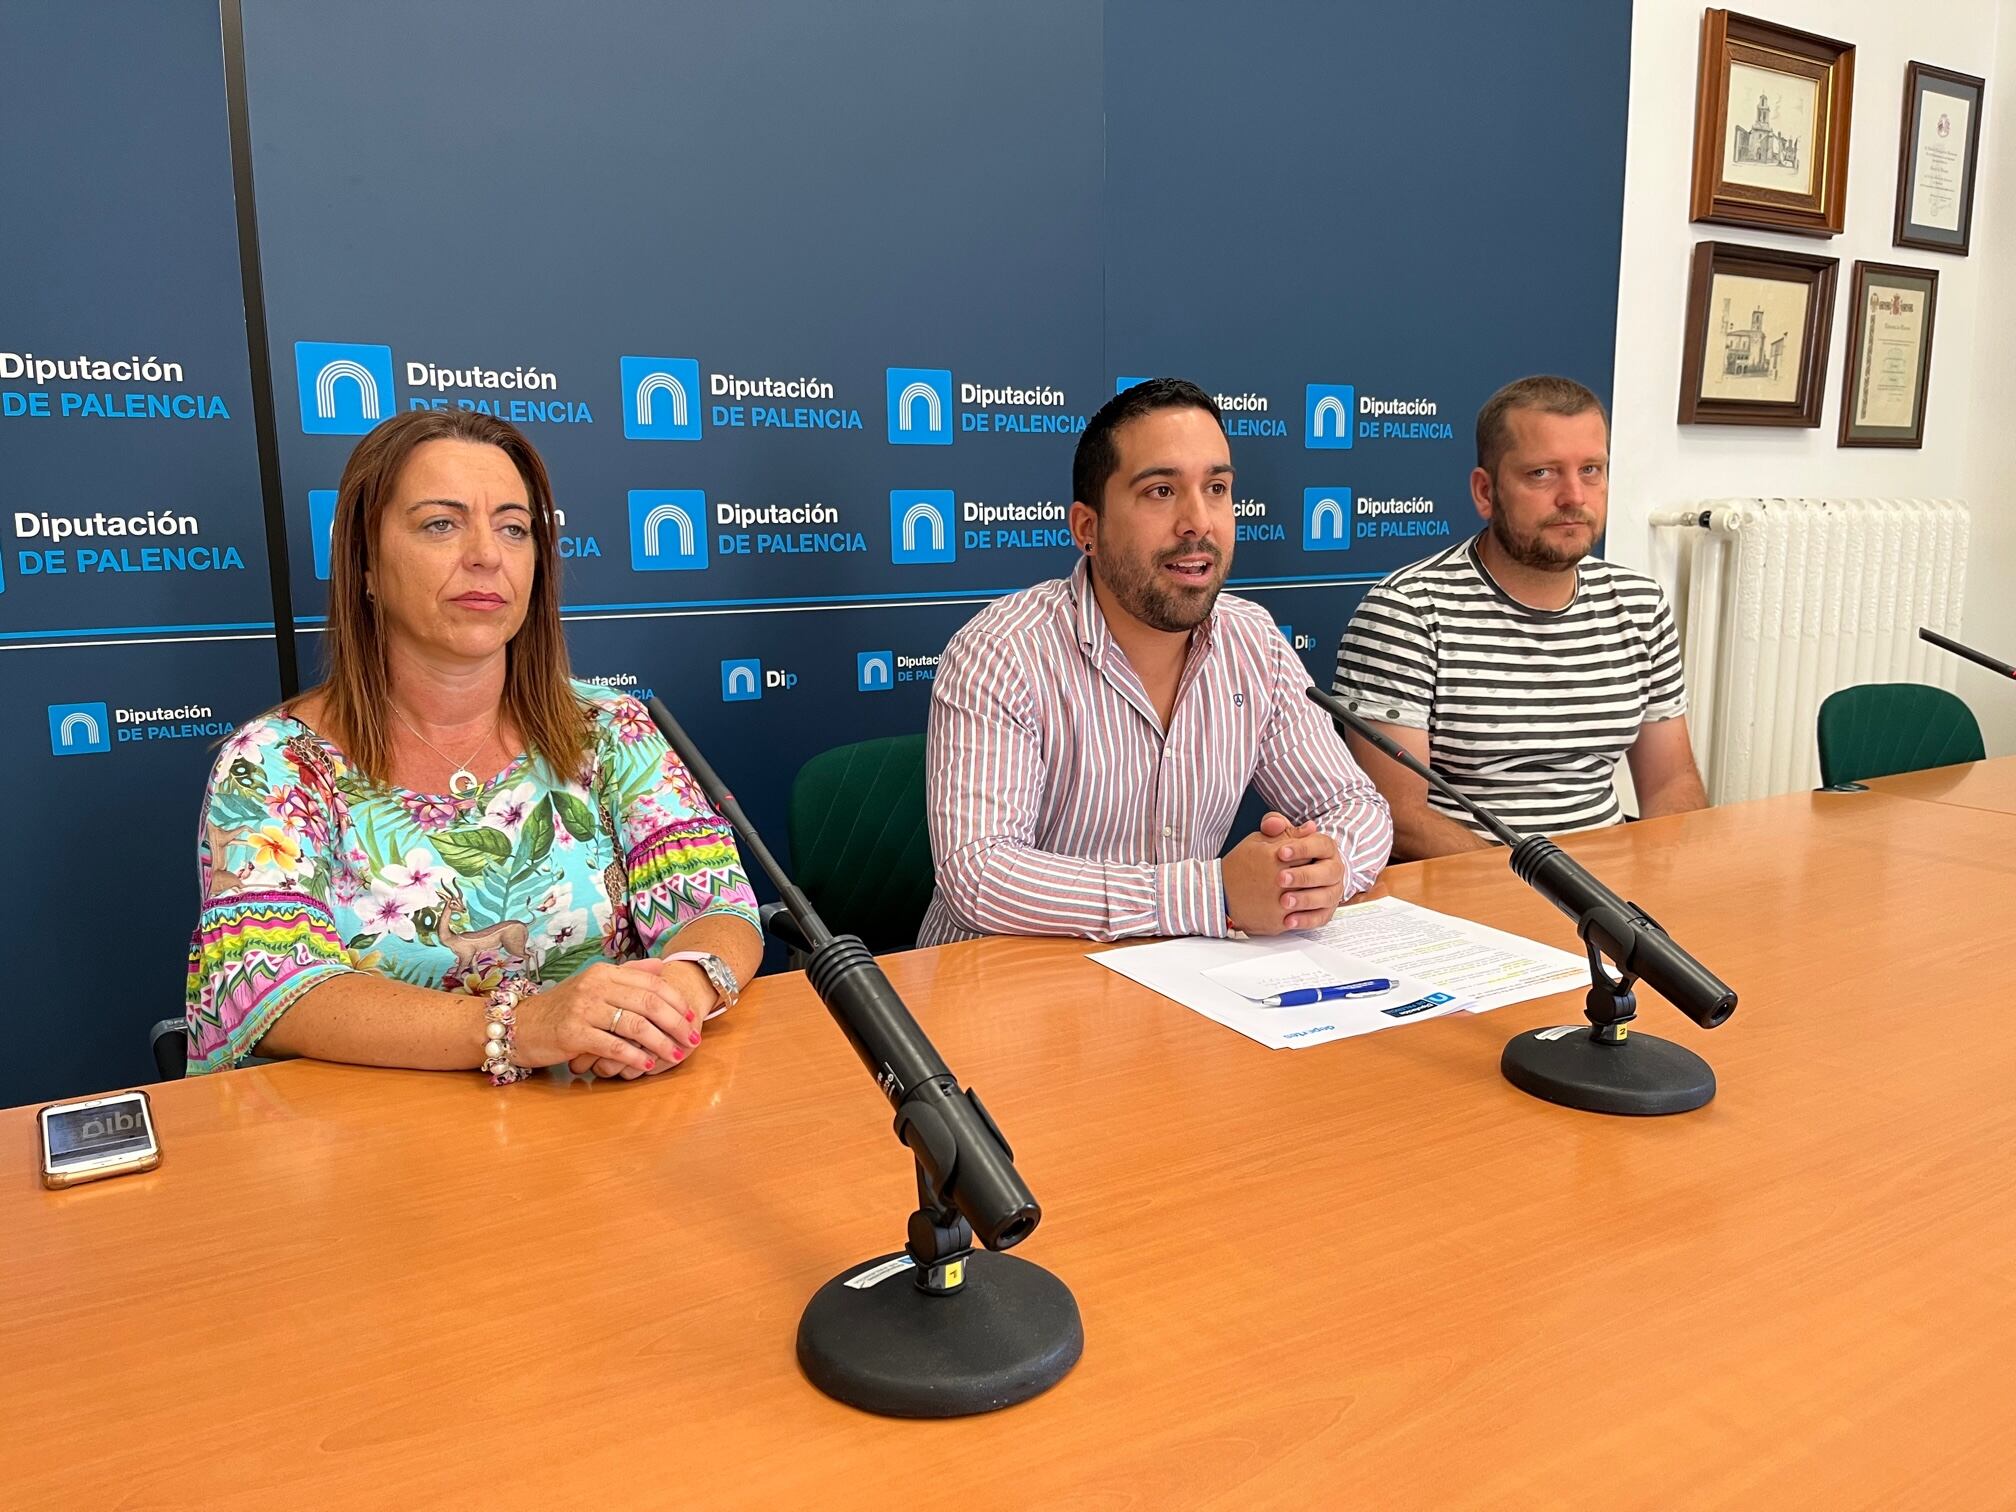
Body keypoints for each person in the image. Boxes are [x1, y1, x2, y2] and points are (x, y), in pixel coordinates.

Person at [185, 409, 762, 1081]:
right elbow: (268, 991)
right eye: (441, 524)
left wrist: (671, 1004)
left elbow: (719, 907)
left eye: (514, 528)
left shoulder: (611, 728)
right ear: (365, 564)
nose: (487, 554)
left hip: (607, 1125)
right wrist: (519, 1027)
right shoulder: (276, 764)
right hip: (380, 1151)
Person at [920, 378, 1392, 945]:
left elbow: (1354, 805)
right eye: (1161, 492)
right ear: (1087, 528)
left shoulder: (1254, 641)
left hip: (1186, 980)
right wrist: (1210, 894)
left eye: (1216, 488)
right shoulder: (1002, 651)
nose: (1199, 522)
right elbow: (979, 877)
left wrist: (1309, 875)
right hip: (1008, 992)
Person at [1332, 374, 1707, 859]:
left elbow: (1670, 784)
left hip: (1611, 891)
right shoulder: (1407, 612)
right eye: (1542, 474)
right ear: (1485, 492)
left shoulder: (1640, 604)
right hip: (1468, 892)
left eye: (1591, 470)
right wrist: (1544, 892)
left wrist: (1673, 888)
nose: (1574, 496)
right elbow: (1398, 816)